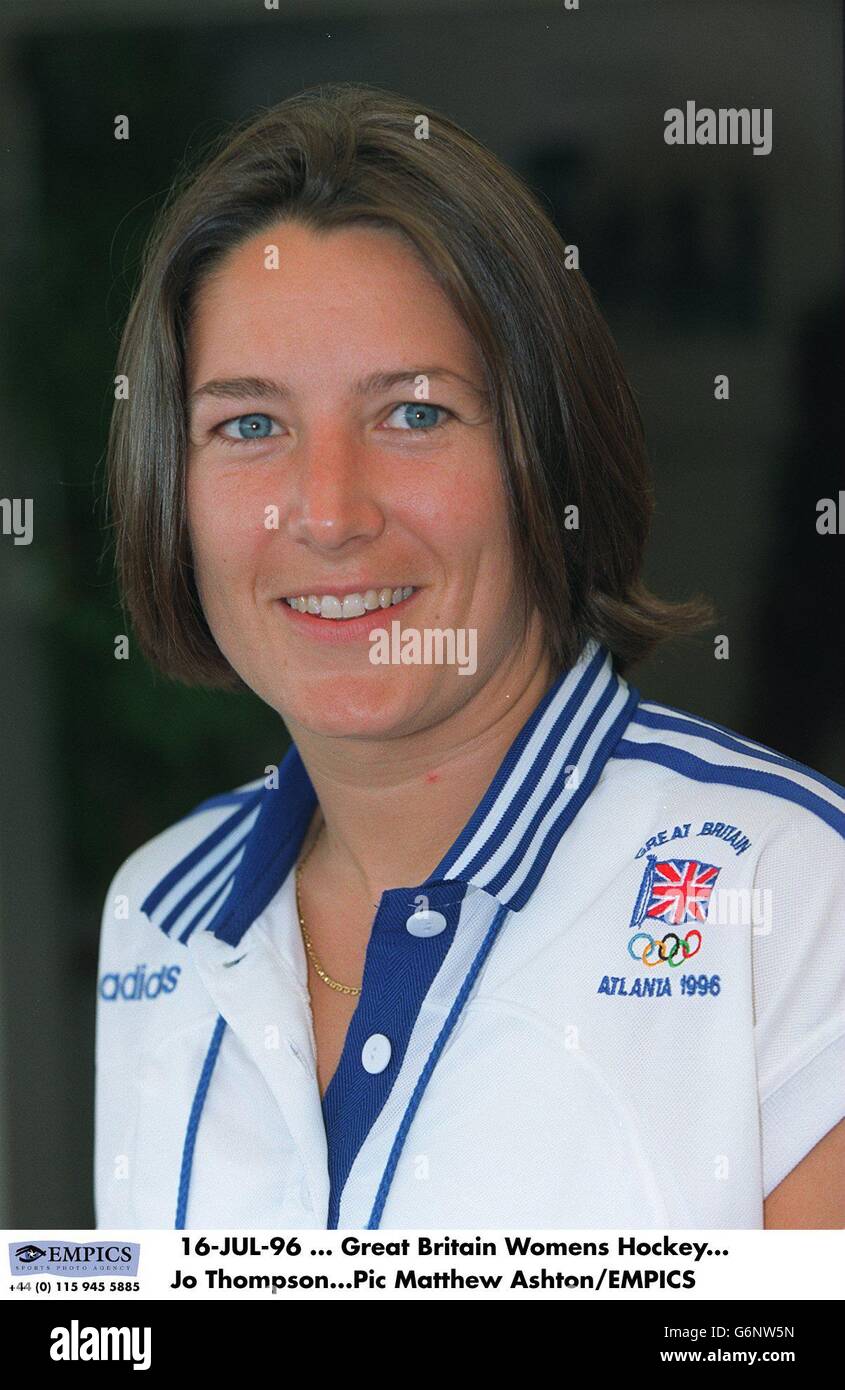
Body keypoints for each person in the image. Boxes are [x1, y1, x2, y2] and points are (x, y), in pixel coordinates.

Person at [95, 81, 845, 1231]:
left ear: (545, 459)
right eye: (247, 424)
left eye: (413, 413)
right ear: (171, 491)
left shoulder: (787, 894)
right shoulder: (158, 914)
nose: (328, 512)